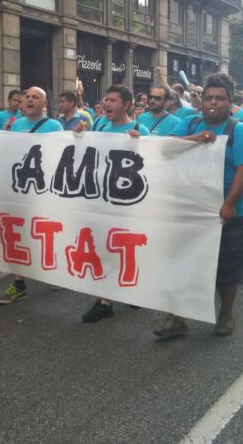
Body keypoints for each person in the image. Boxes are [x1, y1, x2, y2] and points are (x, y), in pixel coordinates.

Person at [154, 74, 243, 338]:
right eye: (209, 98)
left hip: (226, 211)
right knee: (182, 263)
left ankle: (225, 314)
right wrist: (196, 138)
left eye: (220, 99)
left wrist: (229, 205)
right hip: (189, 209)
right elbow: (166, 148)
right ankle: (178, 317)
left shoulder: (239, 130)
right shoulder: (190, 124)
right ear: (201, 101)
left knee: (226, 266)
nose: (213, 103)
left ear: (229, 102)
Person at [77, 84, 150, 323]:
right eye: (106, 99)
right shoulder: (99, 126)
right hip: (100, 199)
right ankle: (104, 301)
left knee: (125, 248)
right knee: (102, 248)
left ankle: (131, 288)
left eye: (114, 100)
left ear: (127, 105)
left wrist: (141, 145)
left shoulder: (141, 130)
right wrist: (78, 137)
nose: (107, 104)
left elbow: (154, 165)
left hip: (128, 203)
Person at [0, 86, 63, 306]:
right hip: (20, 190)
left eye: (36, 97)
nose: (30, 100)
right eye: (27, 97)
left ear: (45, 104)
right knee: (19, 234)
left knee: (45, 232)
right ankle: (19, 283)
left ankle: (54, 270)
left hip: (45, 191)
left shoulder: (55, 126)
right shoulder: (15, 126)